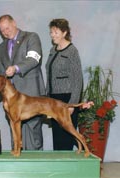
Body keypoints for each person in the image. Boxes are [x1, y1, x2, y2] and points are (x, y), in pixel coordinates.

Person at [0, 14, 46, 150]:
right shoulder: (0, 48)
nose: (6, 32)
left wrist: (16, 68)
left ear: (14, 23)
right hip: (11, 97)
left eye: (7, 28)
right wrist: (3, 95)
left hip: (31, 91)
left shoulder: (31, 37)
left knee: (33, 128)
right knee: (14, 126)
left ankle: (35, 162)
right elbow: (2, 75)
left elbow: (34, 59)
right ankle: (16, 158)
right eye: (2, 30)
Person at [45, 18, 83, 150]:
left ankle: (72, 164)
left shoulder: (72, 51)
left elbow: (78, 79)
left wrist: (72, 104)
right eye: (51, 32)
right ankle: (59, 164)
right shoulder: (52, 50)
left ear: (64, 32)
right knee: (57, 135)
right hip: (54, 99)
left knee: (67, 134)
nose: (52, 35)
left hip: (66, 98)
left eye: (56, 32)